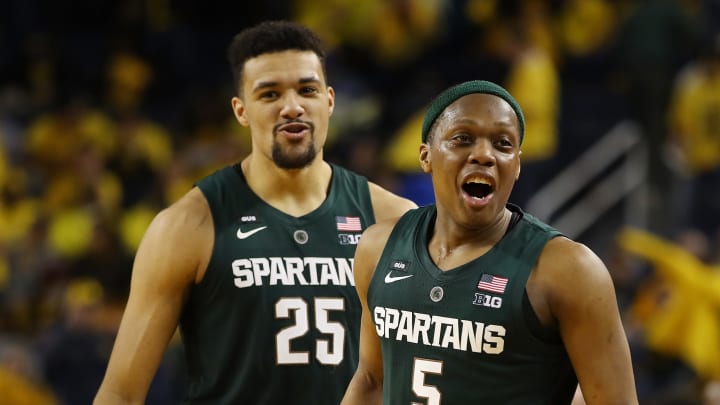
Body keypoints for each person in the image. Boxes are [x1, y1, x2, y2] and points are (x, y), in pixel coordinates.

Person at [93, 20, 417, 405]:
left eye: (307, 90)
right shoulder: (187, 225)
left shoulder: (393, 220)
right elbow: (120, 393)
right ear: (241, 110)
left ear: (329, 101)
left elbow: (422, 373)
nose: (292, 106)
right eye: (269, 94)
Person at [341, 80, 638, 404]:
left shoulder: (568, 269)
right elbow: (371, 380)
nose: (484, 154)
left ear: (517, 165)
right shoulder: (378, 246)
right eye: (463, 139)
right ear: (425, 156)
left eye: (503, 144)